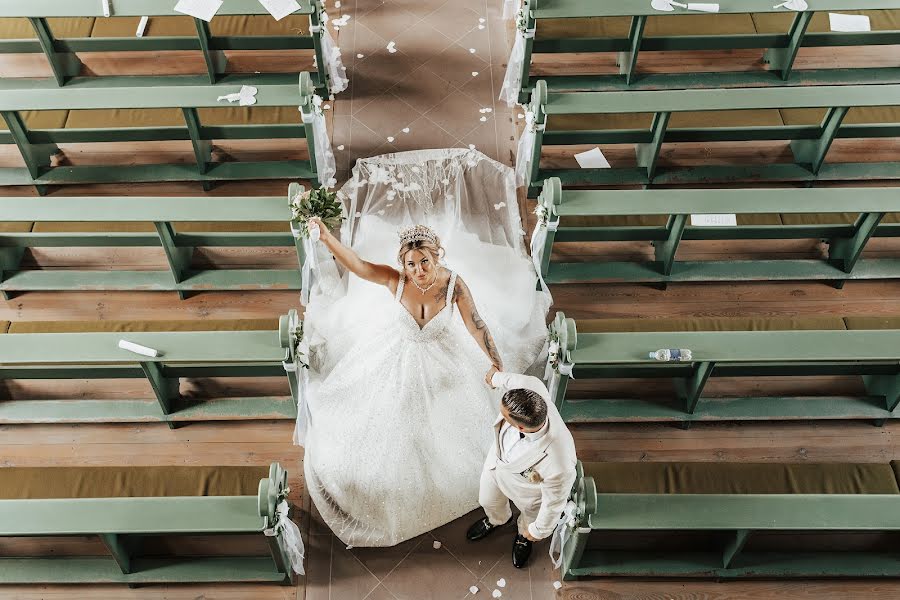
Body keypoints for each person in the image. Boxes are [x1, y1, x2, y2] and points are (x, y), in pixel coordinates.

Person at [302, 218, 506, 547]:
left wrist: (495, 360)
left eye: (424, 261)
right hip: (398, 355)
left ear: (436, 256)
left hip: (443, 359)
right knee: (391, 416)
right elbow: (358, 265)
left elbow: (475, 324)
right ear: (403, 264)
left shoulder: (454, 284)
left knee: (448, 425)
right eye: (411, 264)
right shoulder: (395, 280)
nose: (419, 270)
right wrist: (326, 237)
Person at [467, 372, 577, 568]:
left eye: (504, 415)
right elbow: (507, 380)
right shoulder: (531, 388)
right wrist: (494, 379)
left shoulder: (560, 462)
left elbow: (554, 503)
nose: (500, 415)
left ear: (521, 428)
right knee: (487, 499)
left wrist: (537, 531)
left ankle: (521, 535)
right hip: (496, 464)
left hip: (528, 492)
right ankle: (497, 519)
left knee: (529, 519)